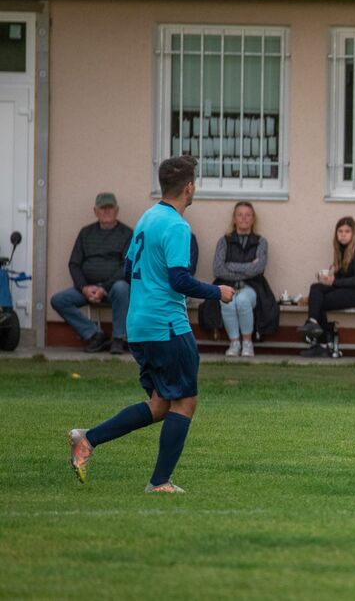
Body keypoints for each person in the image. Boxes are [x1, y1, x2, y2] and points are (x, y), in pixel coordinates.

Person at [68, 156, 234, 493]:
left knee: (161, 404)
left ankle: (88, 439)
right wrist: (217, 292)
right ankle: (159, 482)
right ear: (190, 187)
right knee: (185, 402)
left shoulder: (147, 218)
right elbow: (179, 280)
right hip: (166, 326)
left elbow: (129, 270)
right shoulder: (177, 226)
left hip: (139, 325)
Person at [50, 192, 132, 354]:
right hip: (87, 288)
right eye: (102, 208)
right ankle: (94, 335)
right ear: (95, 211)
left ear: (117, 210)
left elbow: (127, 266)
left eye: (110, 208)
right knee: (58, 300)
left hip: (113, 288)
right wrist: (84, 288)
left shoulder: (127, 234)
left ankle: (118, 338)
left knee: (123, 288)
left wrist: (104, 288)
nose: (106, 211)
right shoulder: (85, 233)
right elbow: (74, 264)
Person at [298, 216, 355, 357]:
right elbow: (341, 277)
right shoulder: (341, 250)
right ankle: (312, 323)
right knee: (316, 288)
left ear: (354, 233)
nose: (343, 235)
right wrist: (328, 278)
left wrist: (334, 282)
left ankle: (323, 343)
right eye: (340, 231)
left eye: (347, 231)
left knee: (318, 301)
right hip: (346, 289)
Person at [212, 201, 279, 357]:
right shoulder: (224, 241)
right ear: (234, 219)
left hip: (253, 287)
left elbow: (258, 268)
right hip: (227, 285)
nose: (244, 218)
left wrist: (230, 266)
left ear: (253, 219)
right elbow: (218, 269)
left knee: (242, 300)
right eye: (240, 215)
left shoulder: (261, 242)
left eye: (248, 215)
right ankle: (234, 343)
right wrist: (248, 266)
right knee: (227, 301)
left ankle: (247, 343)